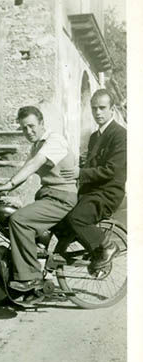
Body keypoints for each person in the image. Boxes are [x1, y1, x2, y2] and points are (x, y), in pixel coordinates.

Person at [0, 105, 78, 292]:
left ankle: (31, 278)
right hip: (49, 196)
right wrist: (2, 190)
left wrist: (8, 185)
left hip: (62, 197)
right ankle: (17, 286)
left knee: (19, 220)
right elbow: (26, 169)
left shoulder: (54, 140)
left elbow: (35, 164)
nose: (28, 131)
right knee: (12, 220)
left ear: (42, 124)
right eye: (23, 128)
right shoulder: (37, 145)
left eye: (31, 126)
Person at [56, 88, 127, 270]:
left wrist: (81, 173)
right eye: (94, 108)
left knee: (77, 219)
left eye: (102, 108)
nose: (98, 113)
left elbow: (112, 169)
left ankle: (108, 246)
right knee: (59, 218)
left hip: (108, 193)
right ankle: (90, 251)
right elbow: (90, 163)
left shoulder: (120, 134)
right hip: (92, 191)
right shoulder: (95, 136)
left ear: (112, 109)